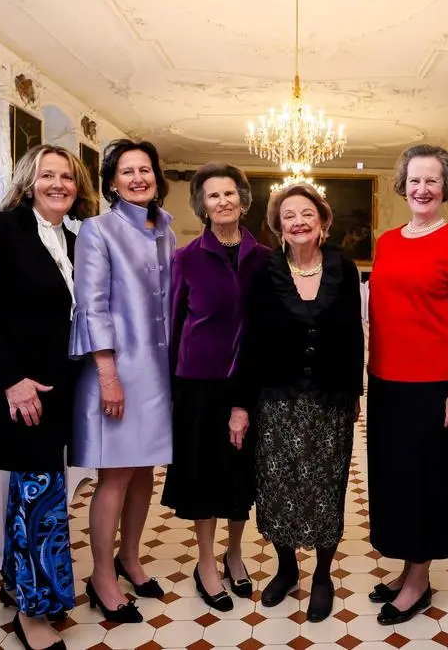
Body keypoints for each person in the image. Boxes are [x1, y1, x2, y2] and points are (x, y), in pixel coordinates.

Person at [0, 144, 98, 650]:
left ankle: (18, 584)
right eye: (47, 175)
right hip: (19, 389)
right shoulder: (1, 229)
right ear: (28, 182)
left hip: (57, 387)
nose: (58, 184)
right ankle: (34, 614)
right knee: (41, 496)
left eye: (67, 177)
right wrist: (11, 381)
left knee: (35, 490)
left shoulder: (72, 239)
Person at [233, 183, 365, 622]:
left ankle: (323, 575)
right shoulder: (264, 272)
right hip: (276, 399)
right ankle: (287, 568)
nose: (298, 222)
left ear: (322, 220)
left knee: (327, 488)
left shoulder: (344, 268)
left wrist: (354, 393)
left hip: (331, 399)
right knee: (277, 487)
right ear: (278, 226)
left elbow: (354, 336)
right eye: (288, 215)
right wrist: (241, 404)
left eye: (307, 213)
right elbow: (250, 341)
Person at [365, 144, 448, 625]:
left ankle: (419, 581)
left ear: (445, 187)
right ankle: (406, 569)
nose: (422, 188)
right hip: (385, 381)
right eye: (415, 179)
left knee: (426, 481)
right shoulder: (388, 241)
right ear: (403, 184)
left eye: (432, 180)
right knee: (393, 480)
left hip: (434, 385)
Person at [69, 139, 176, 623]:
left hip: (159, 372)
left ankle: (129, 559)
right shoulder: (98, 230)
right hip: (117, 370)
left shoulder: (166, 228)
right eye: (127, 171)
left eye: (145, 169)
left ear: (156, 177)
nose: (138, 178)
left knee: (145, 470)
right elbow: (91, 306)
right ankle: (101, 577)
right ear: (112, 182)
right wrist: (108, 376)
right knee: (115, 475)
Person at [160, 162, 271, 612]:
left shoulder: (266, 258)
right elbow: (173, 326)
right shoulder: (186, 258)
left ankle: (234, 552)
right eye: (213, 195)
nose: (223, 201)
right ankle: (206, 562)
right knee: (204, 476)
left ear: (243, 200)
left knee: (241, 476)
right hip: (198, 387)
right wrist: (170, 393)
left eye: (230, 193)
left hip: (250, 383)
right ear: (202, 206)